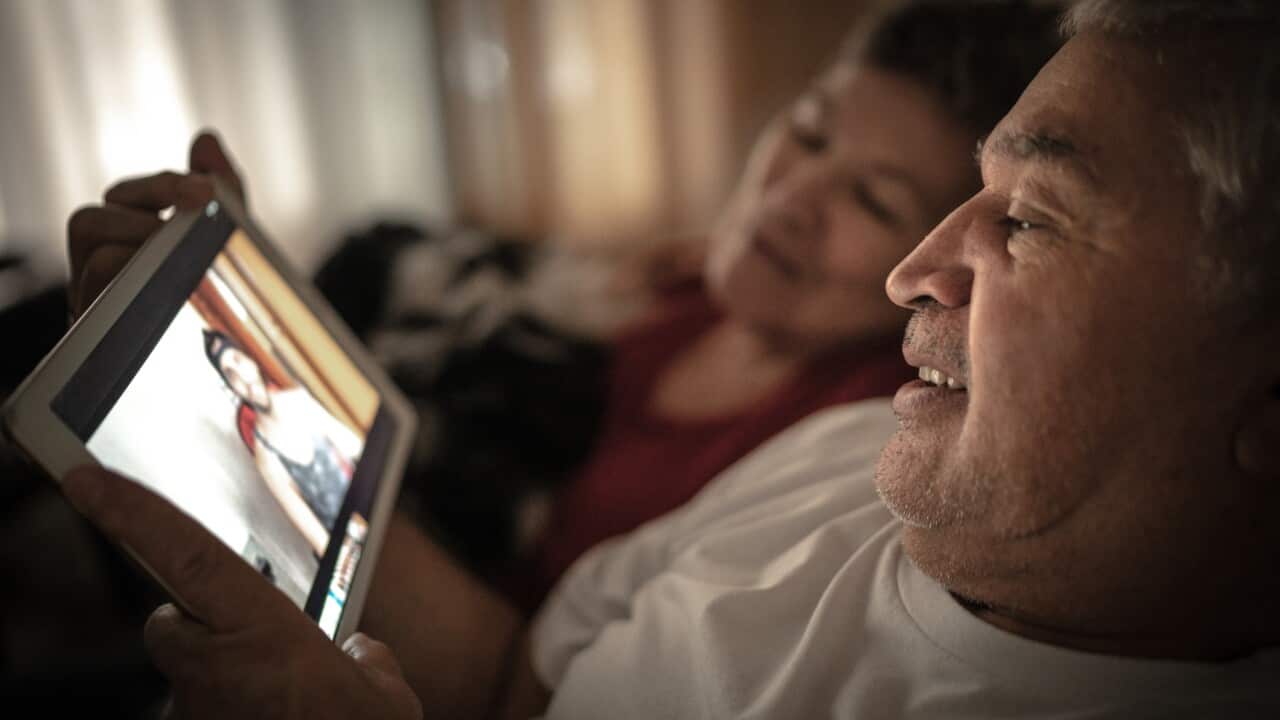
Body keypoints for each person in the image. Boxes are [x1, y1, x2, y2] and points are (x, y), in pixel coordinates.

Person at [58, 0, 1280, 717]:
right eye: (976, 194)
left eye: (1028, 219)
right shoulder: (845, 456)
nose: (913, 267)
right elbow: (505, 679)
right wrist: (261, 356)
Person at [202, 328, 360, 557]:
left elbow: (353, 447)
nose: (242, 377)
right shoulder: (265, 456)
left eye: (237, 360)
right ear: (231, 387)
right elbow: (319, 539)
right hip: (346, 542)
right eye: (230, 374)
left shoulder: (298, 400)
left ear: (250, 360)